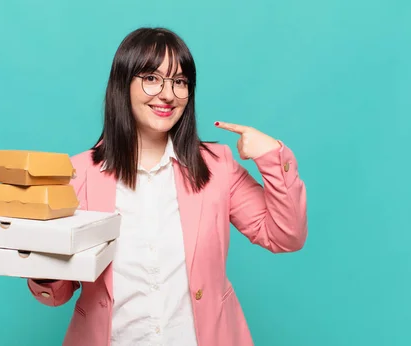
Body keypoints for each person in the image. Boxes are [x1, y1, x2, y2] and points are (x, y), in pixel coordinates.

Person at [26, 27, 308, 346]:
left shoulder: (217, 166)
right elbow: (57, 293)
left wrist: (272, 157)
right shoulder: (78, 173)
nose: (168, 94)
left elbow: (285, 236)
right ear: (123, 84)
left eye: (180, 82)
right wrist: (42, 266)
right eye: (151, 78)